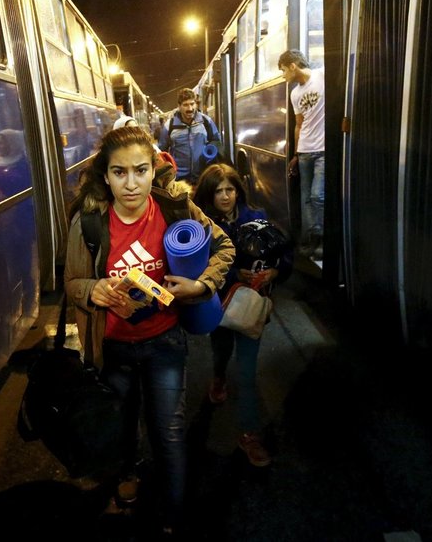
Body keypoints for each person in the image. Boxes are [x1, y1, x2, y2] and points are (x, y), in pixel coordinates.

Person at [63, 126, 235, 536]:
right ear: (106, 176)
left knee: (169, 432)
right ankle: (127, 476)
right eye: (119, 172)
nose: (131, 183)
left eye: (140, 170)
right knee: (121, 426)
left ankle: (172, 517)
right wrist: (94, 289)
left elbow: (224, 247)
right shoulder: (88, 224)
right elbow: (71, 283)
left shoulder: (176, 209)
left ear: (152, 169)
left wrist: (200, 284)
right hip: (113, 349)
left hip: (165, 344)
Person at [192, 163, 293, 467]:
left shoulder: (257, 217)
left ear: (238, 190)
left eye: (230, 189)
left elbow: (283, 253)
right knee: (221, 352)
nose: (225, 196)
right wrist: (236, 272)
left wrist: (277, 270)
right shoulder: (203, 225)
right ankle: (219, 376)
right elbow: (201, 265)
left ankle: (249, 433)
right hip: (220, 306)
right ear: (209, 195)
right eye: (218, 191)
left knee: (247, 373)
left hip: (250, 308)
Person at [278, 49, 325, 260]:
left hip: (323, 150)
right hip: (305, 151)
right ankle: (311, 241)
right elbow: (299, 125)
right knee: (306, 198)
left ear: (293, 66)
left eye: (283, 70)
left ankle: (321, 238)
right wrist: (296, 154)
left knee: (317, 196)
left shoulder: (322, 75)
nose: (283, 76)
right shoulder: (294, 93)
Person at [157, 88, 221, 186]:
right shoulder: (170, 126)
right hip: (179, 181)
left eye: (192, 104)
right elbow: (161, 151)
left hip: (203, 177)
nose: (190, 108)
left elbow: (216, 141)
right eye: (185, 105)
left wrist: (210, 153)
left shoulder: (206, 121)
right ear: (179, 106)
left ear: (196, 104)